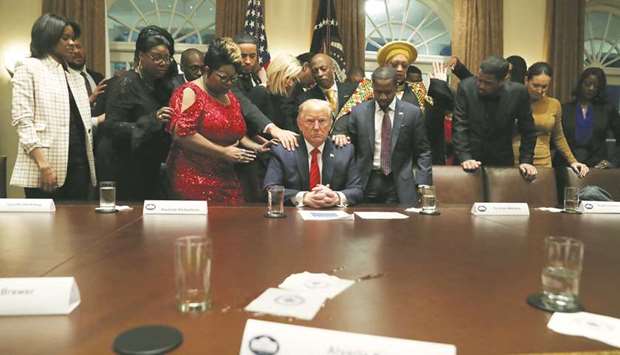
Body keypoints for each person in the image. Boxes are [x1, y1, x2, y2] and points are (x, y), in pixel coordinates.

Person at [166, 37, 271, 204]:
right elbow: (182, 134)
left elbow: (236, 133)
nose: (229, 83)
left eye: (233, 78)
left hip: (226, 175)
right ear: (207, 70)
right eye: (223, 77)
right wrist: (222, 152)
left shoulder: (229, 96)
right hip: (192, 178)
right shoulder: (189, 92)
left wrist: (256, 147)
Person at [10, 14, 96, 200]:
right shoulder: (29, 67)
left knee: (79, 227)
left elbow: (75, 122)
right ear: (48, 38)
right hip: (44, 165)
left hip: (79, 165)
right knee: (44, 228)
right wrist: (43, 164)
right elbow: (22, 121)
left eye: (73, 38)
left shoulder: (76, 76)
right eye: (65, 38)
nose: (72, 43)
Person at [96, 25, 178, 200]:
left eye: (167, 58)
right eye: (156, 58)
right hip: (122, 164)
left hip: (147, 163)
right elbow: (112, 126)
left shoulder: (161, 84)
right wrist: (152, 119)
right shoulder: (125, 83)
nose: (163, 63)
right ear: (141, 56)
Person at [333, 67, 432, 205]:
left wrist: (423, 183)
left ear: (396, 87)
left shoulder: (412, 113)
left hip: (399, 182)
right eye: (378, 92)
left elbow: (423, 151)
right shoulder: (359, 112)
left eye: (388, 92)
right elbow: (351, 146)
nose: (383, 97)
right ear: (372, 87)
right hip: (366, 181)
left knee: (401, 225)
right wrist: (341, 134)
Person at [264, 99, 363, 207]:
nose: (316, 127)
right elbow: (270, 189)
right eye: (310, 121)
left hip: (333, 216)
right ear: (299, 124)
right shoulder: (283, 151)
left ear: (330, 124)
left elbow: (357, 190)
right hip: (293, 218)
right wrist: (303, 197)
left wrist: (337, 197)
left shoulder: (344, 150)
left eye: (322, 121)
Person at [452, 55, 538, 178]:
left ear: (503, 80)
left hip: (501, 161)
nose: (481, 85)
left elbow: (528, 130)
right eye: (479, 80)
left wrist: (526, 160)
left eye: (488, 83)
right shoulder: (466, 87)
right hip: (467, 160)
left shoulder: (518, 93)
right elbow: (460, 125)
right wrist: (465, 157)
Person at [512, 62, 589, 177]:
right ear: (526, 80)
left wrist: (573, 161)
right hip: (516, 161)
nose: (539, 90)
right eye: (535, 85)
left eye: (544, 87)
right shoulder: (515, 101)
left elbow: (558, 137)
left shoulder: (554, 104)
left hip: (543, 162)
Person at [556, 67, 620, 168]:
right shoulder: (565, 109)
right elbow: (555, 139)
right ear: (580, 84)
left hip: (597, 166)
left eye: (596, 86)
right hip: (566, 165)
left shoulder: (607, 110)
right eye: (587, 84)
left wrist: (613, 162)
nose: (591, 88)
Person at [248, 54, 302, 132]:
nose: (290, 84)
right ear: (276, 75)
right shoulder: (260, 92)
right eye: (287, 78)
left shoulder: (286, 96)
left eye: (294, 80)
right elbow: (250, 131)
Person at [297, 53, 357, 119]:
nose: (320, 74)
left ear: (333, 68)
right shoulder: (306, 98)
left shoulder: (352, 91)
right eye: (315, 71)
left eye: (323, 69)